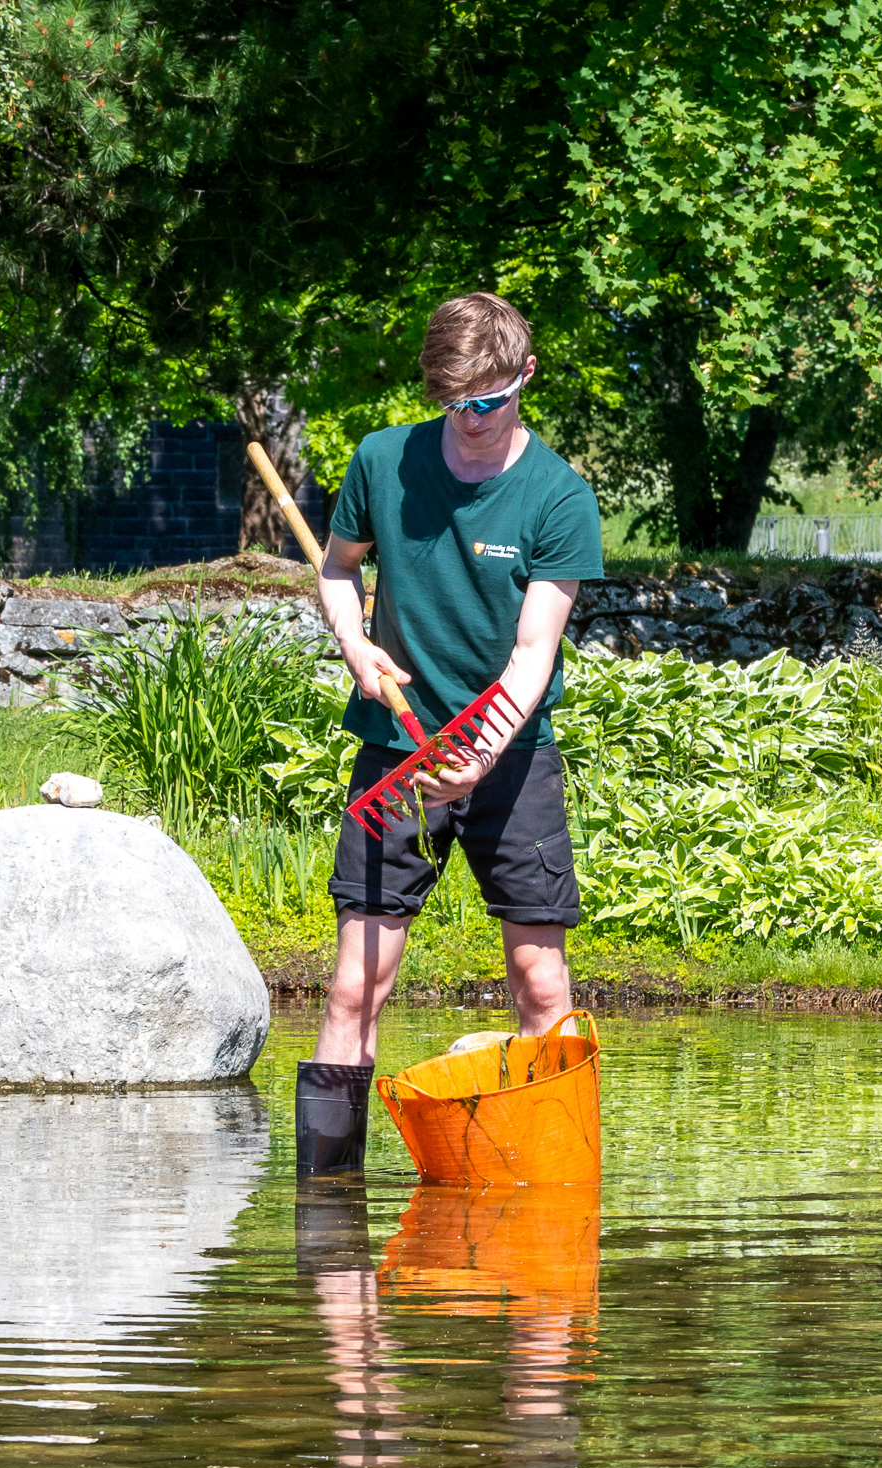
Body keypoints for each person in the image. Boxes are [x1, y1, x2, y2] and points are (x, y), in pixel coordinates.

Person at [295, 291, 603, 1174]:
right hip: (396, 754)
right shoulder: (382, 460)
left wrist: (481, 754)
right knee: (356, 985)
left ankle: (554, 1177)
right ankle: (328, 1213)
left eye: (489, 401)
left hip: (511, 760)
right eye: (453, 403)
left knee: (542, 982)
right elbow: (338, 569)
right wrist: (356, 645)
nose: (470, 420)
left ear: (525, 377)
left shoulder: (559, 497)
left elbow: (532, 652)